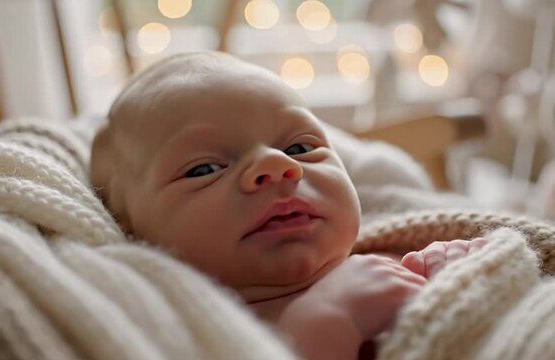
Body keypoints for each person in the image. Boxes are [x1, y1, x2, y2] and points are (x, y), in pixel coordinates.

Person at [90, 51, 489, 359]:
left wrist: (456, 269)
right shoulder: (186, 331)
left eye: (299, 148)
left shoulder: (391, 252)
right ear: (130, 229)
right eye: (205, 169)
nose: (278, 166)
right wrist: (323, 323)